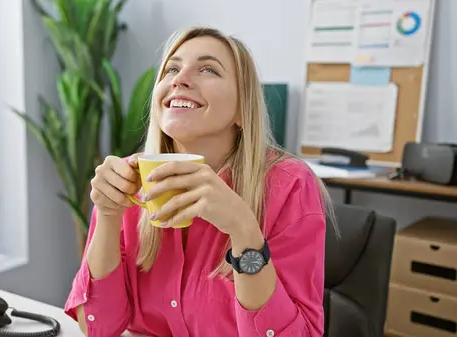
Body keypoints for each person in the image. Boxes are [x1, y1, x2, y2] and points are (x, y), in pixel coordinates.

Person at [64, 26, 335, 337]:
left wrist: (244, 230)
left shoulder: (290, 186)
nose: (180, 78)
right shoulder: (127, 180)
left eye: (208, 69)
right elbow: (100, 328)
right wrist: (109, 217)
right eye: (172, 68)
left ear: (242, 111)